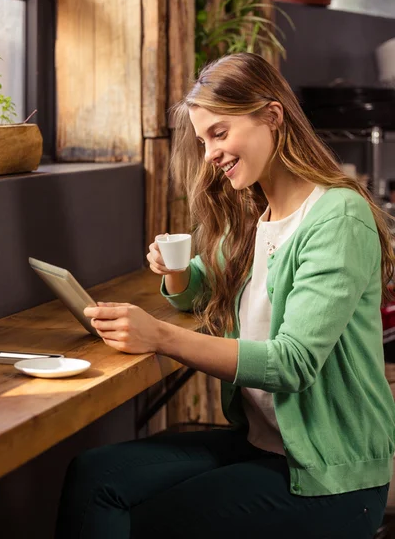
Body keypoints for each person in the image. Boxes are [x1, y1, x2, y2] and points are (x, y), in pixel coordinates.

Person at [55, 53, 395, 538]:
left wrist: (161, 337)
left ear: (272, 117)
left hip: (330, 471)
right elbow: (200, 286)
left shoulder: (336, 218)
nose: (210, 153)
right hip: (267, 442)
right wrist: (174, 274)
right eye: (203, 139)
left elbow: (291, 364)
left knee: (152, 523)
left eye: (220, 132)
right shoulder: (261, 213)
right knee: (95, 476)